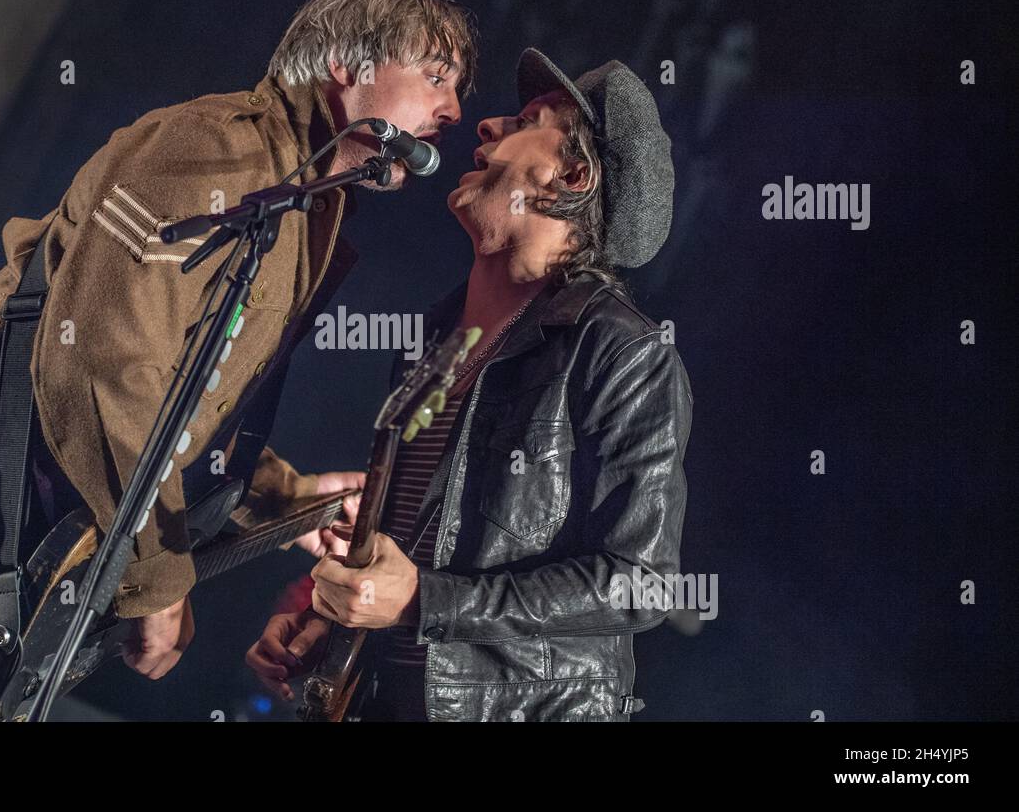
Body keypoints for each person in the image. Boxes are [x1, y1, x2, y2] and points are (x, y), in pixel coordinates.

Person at [0, 0, 476, 722]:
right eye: (435, 77)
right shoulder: (215, 150)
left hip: (8, 501)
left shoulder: (306, 211)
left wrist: (283, 497)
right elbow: (104, 369)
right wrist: (158, 580)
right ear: (349, 67)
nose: (454, 110)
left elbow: (182, 405)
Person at [247, 49, 693, 721]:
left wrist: (426, 601)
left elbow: (644, 583)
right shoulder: (437, 333)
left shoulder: (622, 352)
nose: (486, 127)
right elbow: (414, 542)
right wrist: (335, 623)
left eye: (528, 121)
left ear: (572, 175)